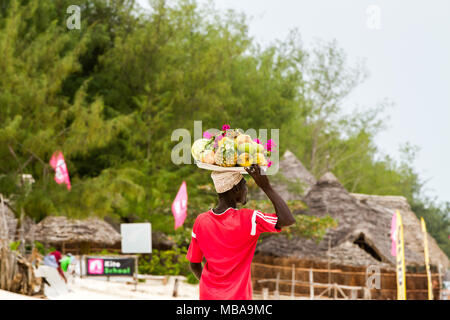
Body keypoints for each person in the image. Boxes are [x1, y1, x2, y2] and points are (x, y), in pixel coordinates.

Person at [186, 164, 295, 300]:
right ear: (236, 189)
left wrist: (212, 287)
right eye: (244, 185)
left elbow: (194, 264)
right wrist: (266, 186)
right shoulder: (249, 219)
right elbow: (287, 219)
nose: (246, 190)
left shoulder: (201, 221)